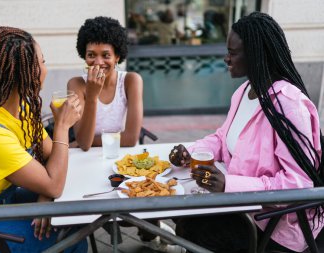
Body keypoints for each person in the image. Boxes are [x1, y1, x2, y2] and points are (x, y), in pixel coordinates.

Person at [169, 12, 324, 253]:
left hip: (273, 225)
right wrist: (190, 152)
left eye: (233, 53)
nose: (226, 59)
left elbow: (299, 185)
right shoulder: (245, 91)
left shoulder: (289, 105)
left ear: (255, 55)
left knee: (191, 225)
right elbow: (223, 138)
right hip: (241, 207)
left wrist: (228, 184)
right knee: (182, 213)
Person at [0, 26, 87, 252]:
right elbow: (54, 183)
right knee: (70, 232)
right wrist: (62, 127)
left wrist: (44, 198)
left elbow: (51, 157)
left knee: (71, 215)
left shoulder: (23, 109)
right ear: (26, 73)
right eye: (42, 62)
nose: (45, 69)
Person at [67, 16, 143, 151]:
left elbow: (131, 139)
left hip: (122, 156)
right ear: (84, 56)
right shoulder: (76, 84)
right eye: (91, 55)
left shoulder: (131, 81)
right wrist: (91, 96)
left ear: (117, 57)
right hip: (88, 158)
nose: (98, 62)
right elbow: (84, 144)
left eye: (106, 55)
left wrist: (84, 142)